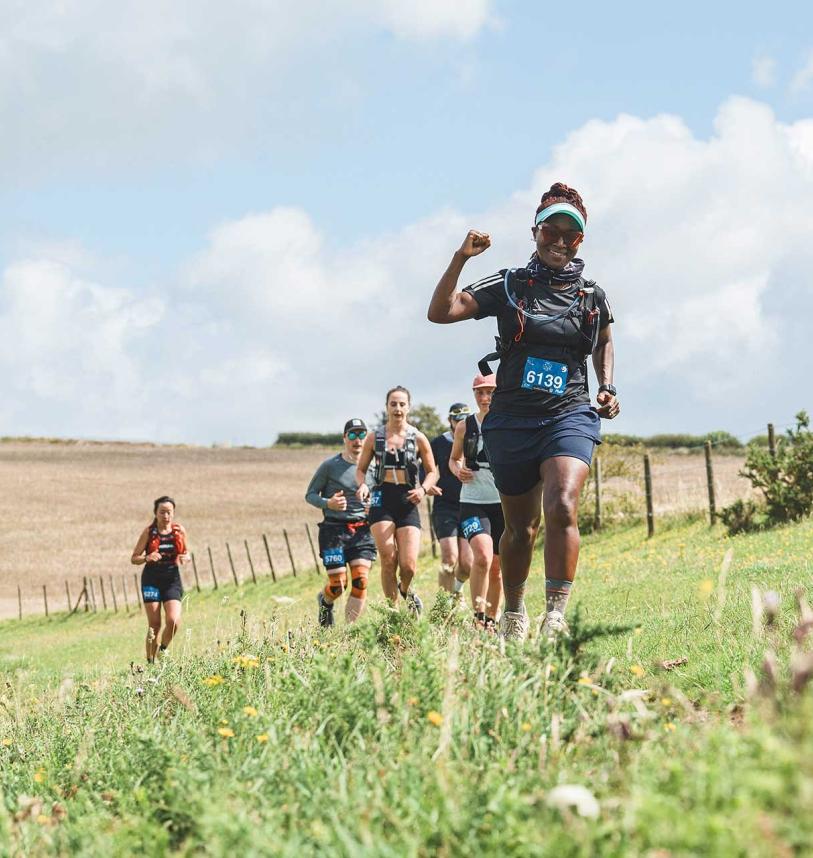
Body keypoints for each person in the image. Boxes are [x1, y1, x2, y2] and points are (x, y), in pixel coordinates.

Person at [427, 182, 620, 641]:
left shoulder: (592, 296)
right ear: (535, 232)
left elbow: (605, 339)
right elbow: (440, 312)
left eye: (569, 235)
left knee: (563, 504)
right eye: (550, 230)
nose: (558, 240)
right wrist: (461, 258)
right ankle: (514, 611)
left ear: (580, 242)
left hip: (568, 413)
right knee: (520, 529)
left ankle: (556, 614)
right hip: (512, 420)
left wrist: (608, 385)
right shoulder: (509, 284)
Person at [355, 386, 438, 616]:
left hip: (408, 499)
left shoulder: (418, 437)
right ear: (387, 407)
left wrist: (423, 490)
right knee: (388, 558)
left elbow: (432, 472)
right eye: (393, 404)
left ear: (408, 407)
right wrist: (362, 485)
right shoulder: (375, 437)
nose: (398, 408)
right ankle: (393, 613)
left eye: (402, 404)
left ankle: (405, 589)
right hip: (382, 498)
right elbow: (361, 470)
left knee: (409, 565)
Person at [305, 418, 377, 628]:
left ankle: (348, 632)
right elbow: (309, 495)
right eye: (352, 435)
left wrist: (374, 506)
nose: (357, 440)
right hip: (333, 531)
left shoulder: (375, 467)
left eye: (362, 435)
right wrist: (329, 503)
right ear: (344, 438)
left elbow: (381, 495)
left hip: (363, 531)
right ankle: (325, 601)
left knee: (361, 581)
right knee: (338, 585)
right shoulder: (330, 466)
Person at [449, 374, 502, 631]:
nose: (484, 398)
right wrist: (458, 470)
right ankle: (478, 617)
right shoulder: (464, 426)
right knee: (482, 556)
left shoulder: (507, 422)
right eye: (479, 393)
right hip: (472, 501)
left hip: (503, 503)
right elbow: (453, 459)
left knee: (498, 569)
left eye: (489, 392)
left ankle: (492, 621)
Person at [130, 496, 189, 663]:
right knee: (154, 624)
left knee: (174, 621)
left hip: (172, 579)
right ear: (155, 513)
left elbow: (186, 552)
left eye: (169, 512)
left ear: (173, 513)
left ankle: (162, 650)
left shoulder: (179, 531)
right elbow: (134, 558)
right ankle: (150, 662)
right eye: (162, 512)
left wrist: (186, 558)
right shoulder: (149, 532)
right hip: (151, 579)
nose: (166, 516)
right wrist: (147, 557)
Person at [426, 403, 473, 594]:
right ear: (450, 421)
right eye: (457, 419)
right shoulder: (439, 442)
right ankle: (444, 606)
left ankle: (457, 590)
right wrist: (427, 484)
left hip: (471, 504)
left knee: (467, 564)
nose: (461, 423)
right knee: (449, 557)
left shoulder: (476, 438)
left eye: (465, 419)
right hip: (445, 504)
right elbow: (425, 467)